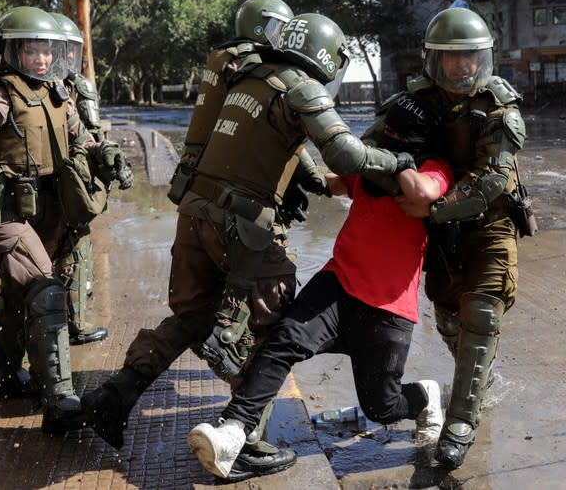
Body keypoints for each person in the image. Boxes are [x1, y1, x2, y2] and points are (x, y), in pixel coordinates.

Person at [82, 2, 388, 482]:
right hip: (243, 225)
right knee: (271, 326)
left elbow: (265, 141)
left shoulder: (246, 77)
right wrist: (396, 163)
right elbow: (347, 154)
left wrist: (307, 179)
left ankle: (115, 395)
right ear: (327, 56)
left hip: (196, 214)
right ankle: (244, 442)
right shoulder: (301, 86)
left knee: (193, 316)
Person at [187, 92, 451, 480]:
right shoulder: (375, 157)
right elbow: (334, 183)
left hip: (388, 306)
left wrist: (394, 162)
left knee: (381, 406)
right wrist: (290, 158)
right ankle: (233, 432)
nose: (386, 136)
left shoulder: (435, 166)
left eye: (395, 133)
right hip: (340, 281)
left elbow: (422, 194)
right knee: (282, 341)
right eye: (385, 129)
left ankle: (425, 396)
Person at [0, 6, 127, 433]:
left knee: (20, 293)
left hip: (49, 209)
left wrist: (105, 155)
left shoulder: (60, 93)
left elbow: (85, 139)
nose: (40, 59)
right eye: (30, 51)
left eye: (46, 52)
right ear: (9, 53)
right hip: (3, 211)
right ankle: (59, 402)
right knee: (45, 289)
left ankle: (5, 377)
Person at [392, 7, 527, 470]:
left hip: (490, 224)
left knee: (482, 314)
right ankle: (478, 375)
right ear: (434, 60)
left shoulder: (498, 107)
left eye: (469, 56)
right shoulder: (416, 102)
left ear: (483, 58)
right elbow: (381, 144)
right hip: (442, 233)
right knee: (449, 318)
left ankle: (461, 422)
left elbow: (494, 181)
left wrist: (434, 206)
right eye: (450, 58)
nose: (461, 66)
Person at [51, 12, 132, 346]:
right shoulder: (45, 88)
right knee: (68, 249)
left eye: (72, 51)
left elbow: (91, 134)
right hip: (54, 179)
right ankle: (71, 325)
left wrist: (109, 162)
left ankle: (68, 320)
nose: (66, 58)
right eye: (61, 50)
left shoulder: (76, 87)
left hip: (72, 175)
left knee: (73, 247)